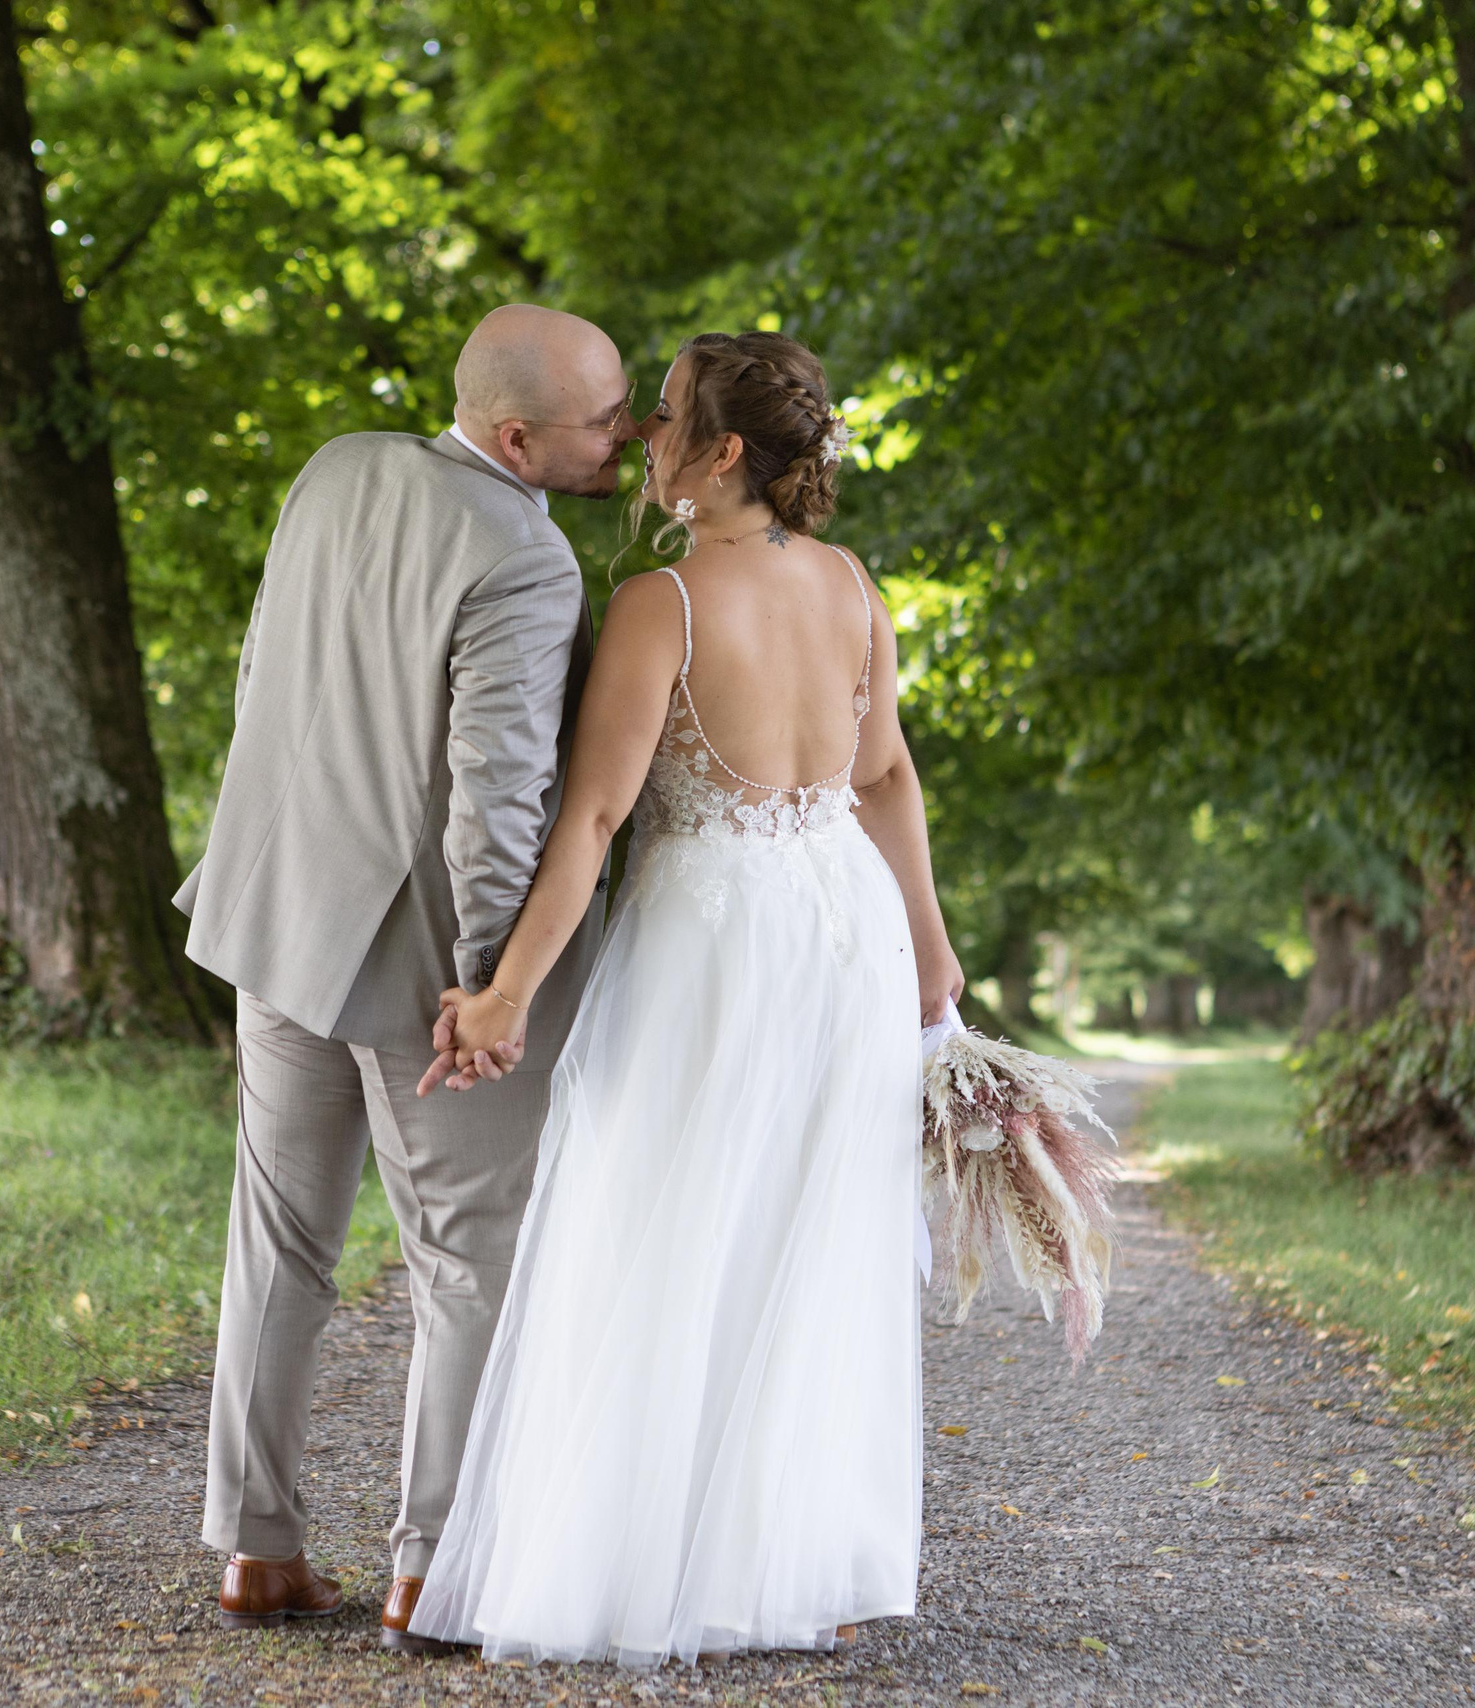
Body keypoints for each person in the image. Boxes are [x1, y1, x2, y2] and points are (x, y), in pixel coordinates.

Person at [401, 330, 967, 1665]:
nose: (640, 440)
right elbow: (886, 780)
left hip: (712, 938)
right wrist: (933, 954)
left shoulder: (665, 603)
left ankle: (646, 1565)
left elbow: (592, 816)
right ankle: (789, 1564)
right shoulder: (851, 586)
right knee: (798, 1234)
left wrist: (505, 997)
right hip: (841, 932)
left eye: (660, 420)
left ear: (721, 453)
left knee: (659, 1226)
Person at [169, 304, 638, 1638]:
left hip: (273, 909)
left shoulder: (335, 469)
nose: (626, 434)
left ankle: (254, 1552)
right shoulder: (529, 560)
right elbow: (497, 795)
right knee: (470, 1255)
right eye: (602, 420)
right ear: (514, 437)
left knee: (280, 1235)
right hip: (423, 962)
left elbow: (265, 673)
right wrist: (495, 988)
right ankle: (434, 1569)